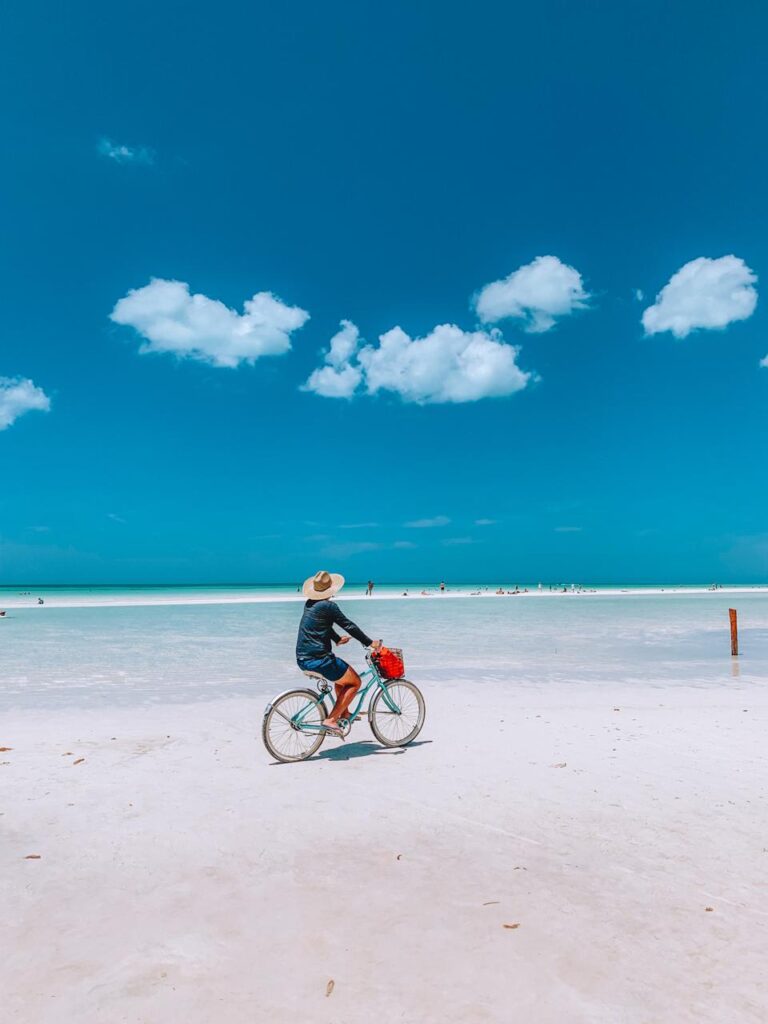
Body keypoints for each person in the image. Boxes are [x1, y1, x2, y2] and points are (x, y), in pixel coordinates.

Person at [296, 570, 381, 735]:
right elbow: (348, 625)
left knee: (341, 678)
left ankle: (345, 713)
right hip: (319, 659)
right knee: (355, 682)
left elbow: (322, 626)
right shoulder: (329, 606)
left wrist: (336, 639)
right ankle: (331, 719)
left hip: (302, 658)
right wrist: (370, 643)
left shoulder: (310, 603)